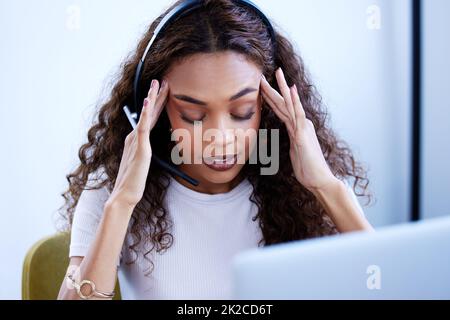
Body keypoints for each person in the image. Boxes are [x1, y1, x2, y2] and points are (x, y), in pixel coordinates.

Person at [57, 0, 373, 300]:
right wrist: (122, 202)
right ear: (152, 108)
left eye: (243, 111)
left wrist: (326, 187)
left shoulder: (304, 183)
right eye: (193, 116)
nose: (220, 138)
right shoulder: (114, 187)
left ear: (270, 104)